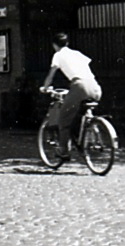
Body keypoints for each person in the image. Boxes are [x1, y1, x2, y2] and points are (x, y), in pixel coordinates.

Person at [40, 32, 102, 161]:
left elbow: (51, 74)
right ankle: (91, 135)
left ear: (54, 45)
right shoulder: (78, 54)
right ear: (67, 43)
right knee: (80, 113)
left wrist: (45, 87)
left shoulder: (58, 55)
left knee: (63, 120)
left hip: (80, 86)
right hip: (95, 87)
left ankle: (64, 152)